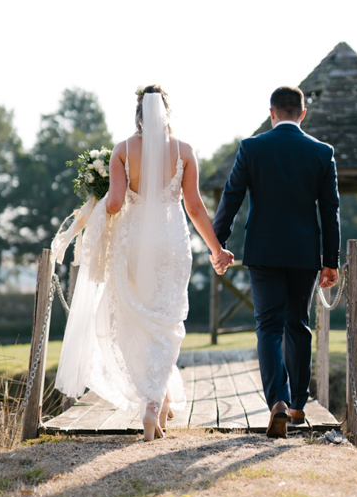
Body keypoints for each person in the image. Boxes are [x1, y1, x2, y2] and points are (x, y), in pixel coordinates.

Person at [55, 86, 233, 441]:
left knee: (138, 320)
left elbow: (116, 204)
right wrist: (217, 249)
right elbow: (195, 207)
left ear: (138, 113)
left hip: (133, 242)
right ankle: (156, 405)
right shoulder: (184, 151)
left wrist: (98, 198)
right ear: (167, 112)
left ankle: (154, 403)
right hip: (171, 241)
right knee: (166, 323)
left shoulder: (122, 150)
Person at [211, 86, 340, 438]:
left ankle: (277, 403)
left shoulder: (252, 148)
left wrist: (217, 244)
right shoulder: (321, 152)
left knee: (268, 327)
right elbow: (330, 210)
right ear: (302, 114)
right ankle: (299, 404)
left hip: (264, 253)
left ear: (271, 113)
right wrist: (331, 261)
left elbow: (231, 197)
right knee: (297, 324)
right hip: (303, 255)